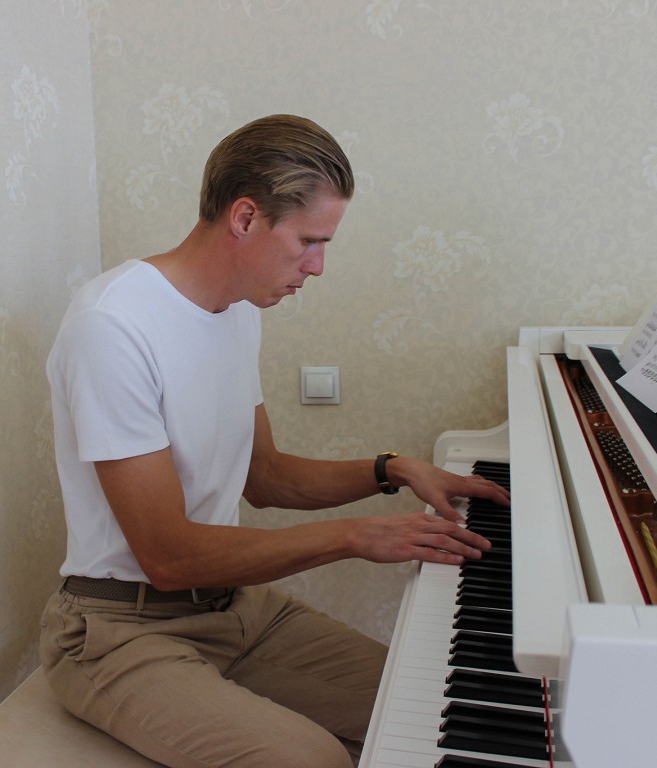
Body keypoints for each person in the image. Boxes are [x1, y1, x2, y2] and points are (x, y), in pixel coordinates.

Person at [39, 114, 510, 768]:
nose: (317, 267)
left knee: (432, 706)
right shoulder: (113, 326)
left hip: (234, 608)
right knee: (314, 760)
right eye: (309, 241)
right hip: (118, 630)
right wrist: (352, 537)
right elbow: (167, 557)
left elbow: (266, 478)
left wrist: (393, 469)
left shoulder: (237, 312)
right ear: (245, 218)